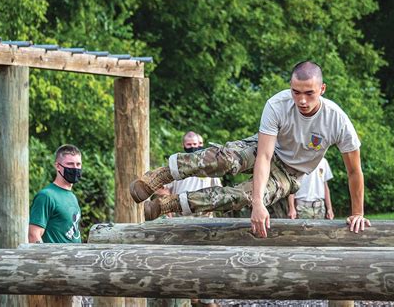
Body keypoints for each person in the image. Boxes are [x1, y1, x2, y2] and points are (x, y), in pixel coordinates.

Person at [130, 61, 370, 237]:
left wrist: (357, 212)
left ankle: (168, 204)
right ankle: (159, 176)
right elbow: (264, 156)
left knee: (241, 196)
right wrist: (258, 205)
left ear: (322, 89)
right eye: (296, 92)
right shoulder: (277, 104)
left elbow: (354, 171)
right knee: (226, 160)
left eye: (309, 93)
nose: (302, 100)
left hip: (290, 173)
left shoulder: (337, 120)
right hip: (266, 149)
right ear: (290, 88)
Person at [159, 131, 222, 219]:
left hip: (204, 215)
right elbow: (162, 188)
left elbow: (218, 190)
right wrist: (167, 207)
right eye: (189, 144)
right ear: (183, 145)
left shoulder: (210, 165)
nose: (192, 147)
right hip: (180, 215)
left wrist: (212, 207)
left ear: (199, 145)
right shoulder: (175, 164)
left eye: (195, 144)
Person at [29, 144, 83, 243]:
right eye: (70, 164)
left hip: (75, 257)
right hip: (56, 257)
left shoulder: (72, 197)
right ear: (58, 166)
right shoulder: (46, 196)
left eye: (78, 164)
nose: (75, 168)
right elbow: (34, 235)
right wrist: (45, 258)